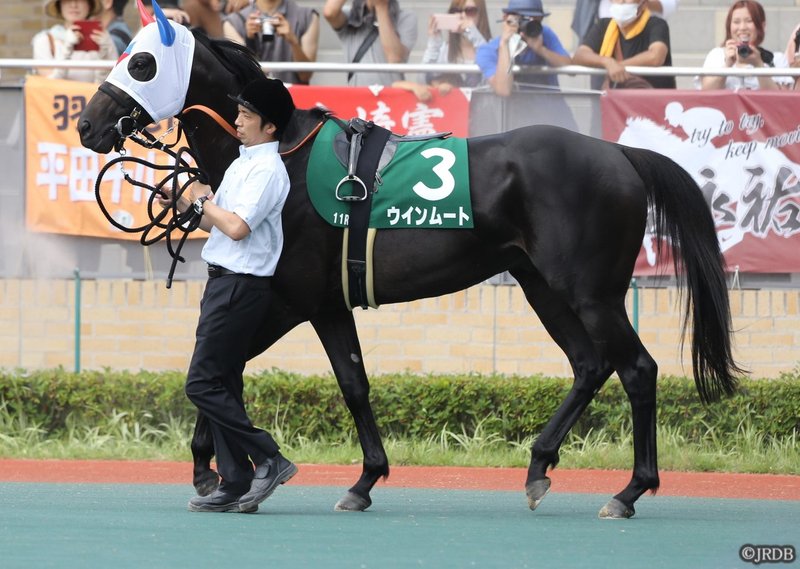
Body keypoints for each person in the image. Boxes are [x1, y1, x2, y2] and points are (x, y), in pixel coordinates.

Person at [157, 77, 297, 514]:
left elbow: (236, 226)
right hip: (226, 281)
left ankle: (270, 457)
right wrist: (181, 201)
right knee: (223, 383)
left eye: (247, 115)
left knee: (200, 383)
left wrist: (198, 204)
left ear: (270, 127)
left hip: (239, 286)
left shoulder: (267, 170)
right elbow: (213, 223)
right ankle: (235, 480)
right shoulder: (243, 163)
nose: (237, 120)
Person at [475, 0, 571, 97]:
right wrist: (505, 45)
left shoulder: (544, 34)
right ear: (506, 19)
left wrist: (541, 50)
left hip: (552, 109)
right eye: (522, 20)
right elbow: (503, 90)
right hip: (516, 111)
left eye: (535, 21)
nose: (527, 25)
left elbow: (570, 68)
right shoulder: (489, 51)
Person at [572, 0, 676, 89]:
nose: (622, 2)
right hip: (616, 104)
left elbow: (656, 56)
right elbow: (580, 55)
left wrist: (619, 66)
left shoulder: (656, 24)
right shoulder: (603, 26)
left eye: (627, 0)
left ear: (643, 4)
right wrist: (607, 62)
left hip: (652, 102)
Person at [697, 0, 792, 91]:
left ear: (762, 25)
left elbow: (781, 100)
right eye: (736, 22)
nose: (742, 28)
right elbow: (706, 93)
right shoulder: (716, 55)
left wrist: (759, 66)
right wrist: (727, 65)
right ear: (729, 26)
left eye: (749, 21)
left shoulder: (776, 59)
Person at [223, 0, 320, 85]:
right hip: (254, 99)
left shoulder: (307, 16)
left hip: (294, 98)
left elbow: (305, 76)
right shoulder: (234, 21)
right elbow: (242, 75)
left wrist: (293, 42)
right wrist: (250, 40)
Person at [323, 0, 418, 87]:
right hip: (358, 97)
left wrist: (381, 8)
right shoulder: (352, 16)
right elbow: (329, 12)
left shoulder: (405, 17)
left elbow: (394, 59)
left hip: (390, 98)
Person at [32, 0, 118, 83]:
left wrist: (104, 56)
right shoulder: (45, 40)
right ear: (59, 4)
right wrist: (67, 51)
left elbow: (112, 85)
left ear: (89, 4)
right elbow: (47, 86)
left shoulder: (104, 39)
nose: (74, 5)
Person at [572, 0, 677, 44]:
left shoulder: (657, 26)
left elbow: (655, 56)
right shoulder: (601, 27)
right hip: (606, 37)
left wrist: (638, 3)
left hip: (643, 34)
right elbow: (582, 55)